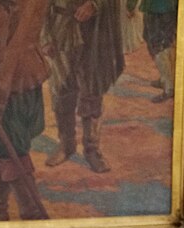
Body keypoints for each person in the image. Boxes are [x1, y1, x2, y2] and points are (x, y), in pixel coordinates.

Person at [0, 0, 50, 220]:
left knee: (10, 151)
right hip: (27, 75)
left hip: (5, 81)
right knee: (3, 150)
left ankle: (33, 215)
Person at [43, 0, 126, 173]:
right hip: (59, 29)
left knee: (92, 90)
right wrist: (44, 37)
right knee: (61, 90)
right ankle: (66, 146)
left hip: (93, 33)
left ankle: (92, 150)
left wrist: (94, 4)